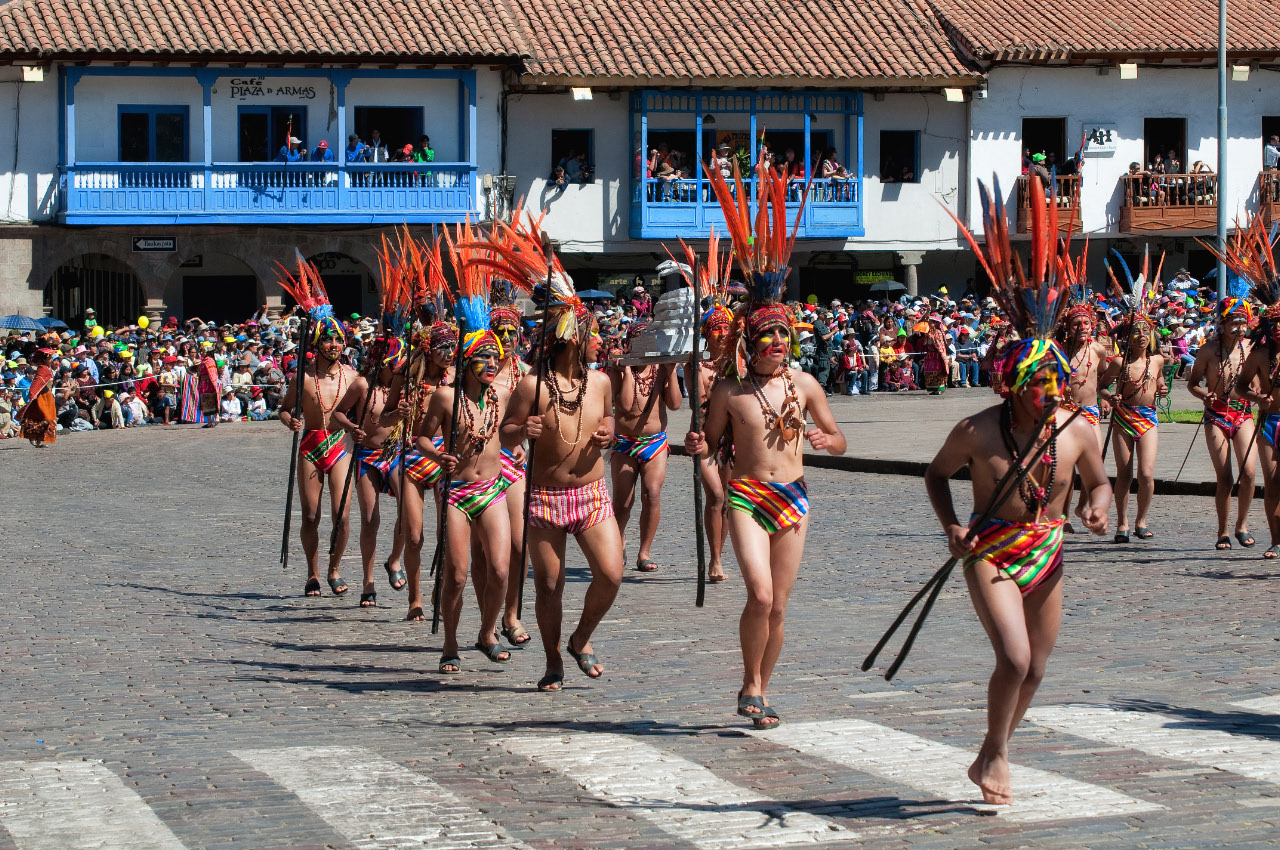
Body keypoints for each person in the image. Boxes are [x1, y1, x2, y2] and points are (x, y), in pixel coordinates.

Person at [925, 175, 1112, 805]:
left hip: (1049, 547)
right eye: (1039, 384)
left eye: (1056, 381)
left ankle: (990, 749)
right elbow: (933, 475)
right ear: (1013, 386)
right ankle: (999, 752)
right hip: (991, 548)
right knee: (1012, 658)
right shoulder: (975, 430)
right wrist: (951, 526)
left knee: (1036, 667)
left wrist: (1096, 505)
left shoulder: (1078, 431)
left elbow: (1100, 481)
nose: (1051, 391)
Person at [687, 161, 846, 730]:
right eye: (768, 337)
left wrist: (829, 439)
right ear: (749, 342)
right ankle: (749, 679)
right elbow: (706, 445)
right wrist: (698, 447)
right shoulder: (729, 390)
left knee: (779, 605)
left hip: (794, 497)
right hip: (747, 496)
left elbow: (841, 438)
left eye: (784, 337)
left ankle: (757, 686)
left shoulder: (805, 385)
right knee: (757, 594)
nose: (778, 344)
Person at [498, 241, 621, 692]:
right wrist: (520, 431)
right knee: (549, 586)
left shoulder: (602, 382)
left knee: (610, 573)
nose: (600, 340)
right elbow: (505, 433)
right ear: (572, 336)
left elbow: (607, 416)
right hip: (544, 497)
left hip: (591, 493)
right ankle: (553, 661)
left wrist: (608, 429)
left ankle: (580, 639)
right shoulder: (532, 385)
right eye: (593, 332)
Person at [420, 287, 519, 674]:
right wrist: (436, 455)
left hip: (493, 489)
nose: (492, 361)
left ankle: (488, 632)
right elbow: (422, 437)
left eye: (495, 355)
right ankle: (449, 643)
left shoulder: (504, 393)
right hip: (457, 492)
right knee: (458, 574)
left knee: (500, 569)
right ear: (467, 361)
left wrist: (522, 438)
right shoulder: (445, 397)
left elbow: (511, 430)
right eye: (483, 356)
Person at [278, 276, 362, 598]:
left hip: (340, 446)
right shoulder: (302, 376)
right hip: (310, 445)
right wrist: (290, 422)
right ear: (316, 343)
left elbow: (364, 412)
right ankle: (312, 573)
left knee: (342, 515)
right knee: (311, 515)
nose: (334, 345)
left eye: (338, 340)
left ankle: (334, 568)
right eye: (327, 340)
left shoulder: (352, 376)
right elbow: (284, 410)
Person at [381, 319, 455, 621]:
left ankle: (440, 589)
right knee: (413, 536)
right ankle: (415, 597)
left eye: (452, 347)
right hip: (410, 457)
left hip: (443, 459)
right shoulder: (407, 379)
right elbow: (383, 419)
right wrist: (398, 413)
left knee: (448, 534)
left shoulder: (456, 381)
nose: (449, 353)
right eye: (443, 347)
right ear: (428, 349)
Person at [610, 322, 682, 573]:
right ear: (630, 344)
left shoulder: (660, 369)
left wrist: (671, 372)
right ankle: (617, 544)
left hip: (654, 443)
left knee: (651, 493)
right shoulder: (618, 369)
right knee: (623, 502)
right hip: (624, 443)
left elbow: (674, 404)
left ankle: (644, 551)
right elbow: (627, 406)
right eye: (639, 340)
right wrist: (628, 370)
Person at [1186, 298, 1258, 550]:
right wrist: (1203, 395)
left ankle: (1242, 525)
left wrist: (1259, 390)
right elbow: (1192, 383)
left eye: (1242, 321)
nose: (1239, 326)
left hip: (1243, 413)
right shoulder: (1208, 350)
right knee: (1225, 477)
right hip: (1216, 415)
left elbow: (1259, 379)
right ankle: (1223, 531)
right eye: (1234, 321)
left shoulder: (1251, 349)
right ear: (1223, 323)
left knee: (1249, 472)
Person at [346, 337, 409, 607]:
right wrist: (352, 428)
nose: (400, 371)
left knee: (408, 512)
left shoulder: (407, 387)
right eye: (395, 366)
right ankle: (368, 582)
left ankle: (394, 560)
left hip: (395, 454)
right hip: (367, 456)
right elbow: (339, 414)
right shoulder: (362, 385)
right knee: (371, 519)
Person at [1099, 301, 1167, 543]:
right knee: (1124, 473)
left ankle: (1141, 520)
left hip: (1147, 418)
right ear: (1128, 336)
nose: (1141, 336)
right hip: (1123, 418)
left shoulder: (1157, 361)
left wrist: (1162, 387)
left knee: (1146, 474)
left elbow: (1158, 379)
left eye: (1145, 332)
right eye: (1136, 332)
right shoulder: (1119, 363)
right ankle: (1122, 522)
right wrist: (1111, 397)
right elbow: (1102, 387)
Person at [1233, 219, 1280, 558]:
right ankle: (1277, 541)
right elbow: (1239, 386)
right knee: (1273, 484)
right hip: (1271, 424)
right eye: (1274, 324)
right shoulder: (1260, 354)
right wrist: (1257, 398)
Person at [1057, 301, 1111, 527]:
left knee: (1095, 462)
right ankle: (1065, 516)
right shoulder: (1059, 349)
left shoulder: (1098, 349)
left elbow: (1105, 377)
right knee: (1067, 467)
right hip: (1065, 412)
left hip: (1090, 412)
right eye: (1077, 323)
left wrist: (1106, 397)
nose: (1082, 327)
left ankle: (1082, 505)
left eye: (1086, 323)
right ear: (1068, 327)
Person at [19, 348, 56, 446]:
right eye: (49, 358)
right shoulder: (42, 369)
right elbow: (36, 383)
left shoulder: (48, 369)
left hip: (48, 397)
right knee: (44, 418)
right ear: (44, 360)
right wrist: (32, 394)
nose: (51, 360)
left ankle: (40, 441)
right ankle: (33, 436)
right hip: (42, 397)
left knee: (48, 419)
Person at [197, 346, 220, 427]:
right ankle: (209, 421)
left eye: (203, 351)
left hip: (209, 384)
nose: (202, 353)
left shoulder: (210, 361)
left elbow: (212, 373)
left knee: (211, 401)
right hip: (203, 384)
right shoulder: (203, 362)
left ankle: (216, 416)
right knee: (205, 403)